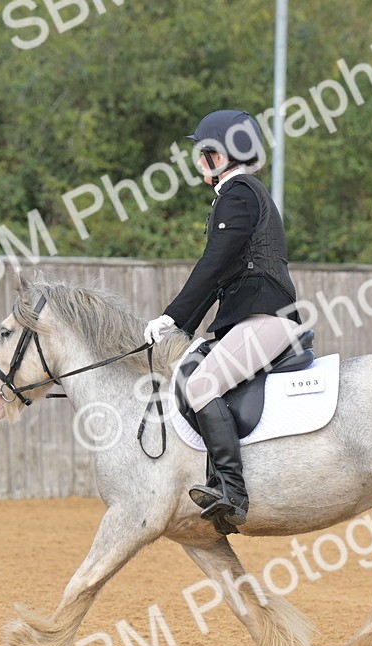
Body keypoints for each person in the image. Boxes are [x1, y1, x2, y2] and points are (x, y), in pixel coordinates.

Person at [144, 109, 301, 530]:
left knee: (202, 385)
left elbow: (212, 265)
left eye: (203, 152)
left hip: (266, 314)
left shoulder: (239, 194)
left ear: (221, 156)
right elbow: (219, 279)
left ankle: (232, 490)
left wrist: (171, 315)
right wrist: (179, 329)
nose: (198, 160)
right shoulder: (236, 196)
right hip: (252, 316)